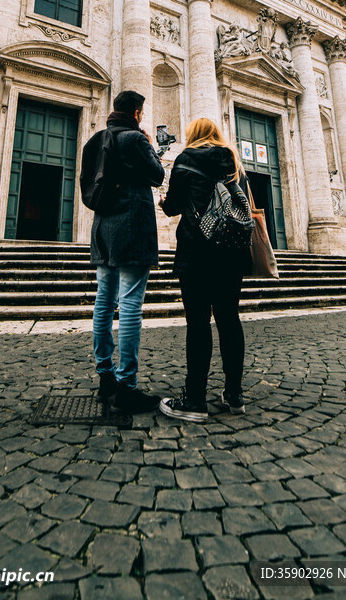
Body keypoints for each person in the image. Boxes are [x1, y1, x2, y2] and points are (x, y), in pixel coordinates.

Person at [158, 117, 251, 422]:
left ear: (192, 135)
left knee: (198, 323)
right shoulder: (234, 163)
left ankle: (195, 400)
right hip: (232, 253)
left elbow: (173, 207)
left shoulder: (186, 159)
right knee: (229, 319)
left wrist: (163, 201)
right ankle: (234, 396)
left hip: (197, 252)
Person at [82, 90, 165, 414]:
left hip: (103, 227)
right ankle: (127, 385)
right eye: (142, 111)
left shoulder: (96, 139)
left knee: (104, 300)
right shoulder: (135, 138)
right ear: (136, 112)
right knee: (130, 302)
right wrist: (149, 146)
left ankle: (106, 377)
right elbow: (157, 176)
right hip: (132, 225)